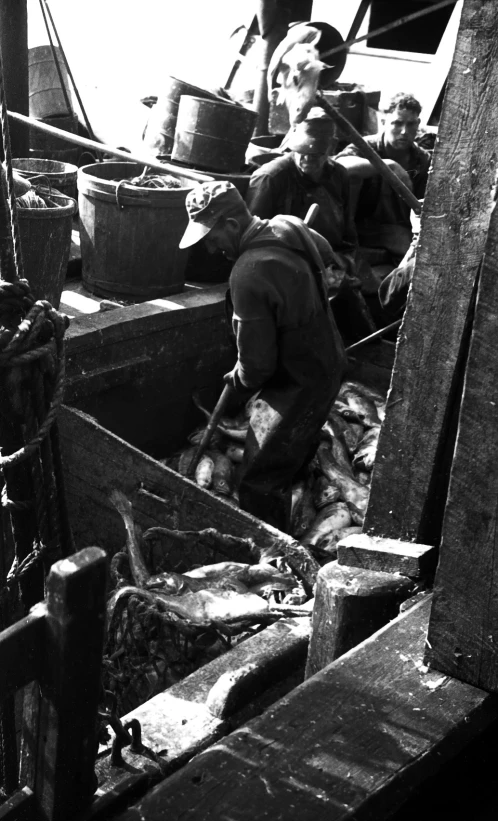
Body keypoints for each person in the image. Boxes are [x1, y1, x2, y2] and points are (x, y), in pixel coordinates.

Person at [179, 180, 347, 533]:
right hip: (328, 360)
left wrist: (238, 377)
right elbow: (327, 253)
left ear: (232, 226)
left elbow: (257, 366)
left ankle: (274, 559)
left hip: (297, 384)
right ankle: (296, 483)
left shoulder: (247, 272)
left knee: (257, 479)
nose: (211, 249)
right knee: (291, 445)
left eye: (211, 238)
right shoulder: (289, 225)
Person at [246, 108, 377, 340]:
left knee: (369, 298)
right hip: (287, 264)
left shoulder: (339, 175)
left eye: (315, 152)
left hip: (331, 259)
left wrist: (344, 262)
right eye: (301, 150)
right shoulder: (271, 178)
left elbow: (348, 232)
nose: (306, 157)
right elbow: (253, 242)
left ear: (331, 148)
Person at [335, 92, 431, 264]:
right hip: (361, 225)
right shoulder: (366, 147)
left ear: (418, 125)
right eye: (397, 123)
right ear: (384, 122)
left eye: (410, 125)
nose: (404, 131)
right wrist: (388, 166)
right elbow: (340, 166)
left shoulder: (422, 160)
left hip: (402, 228)